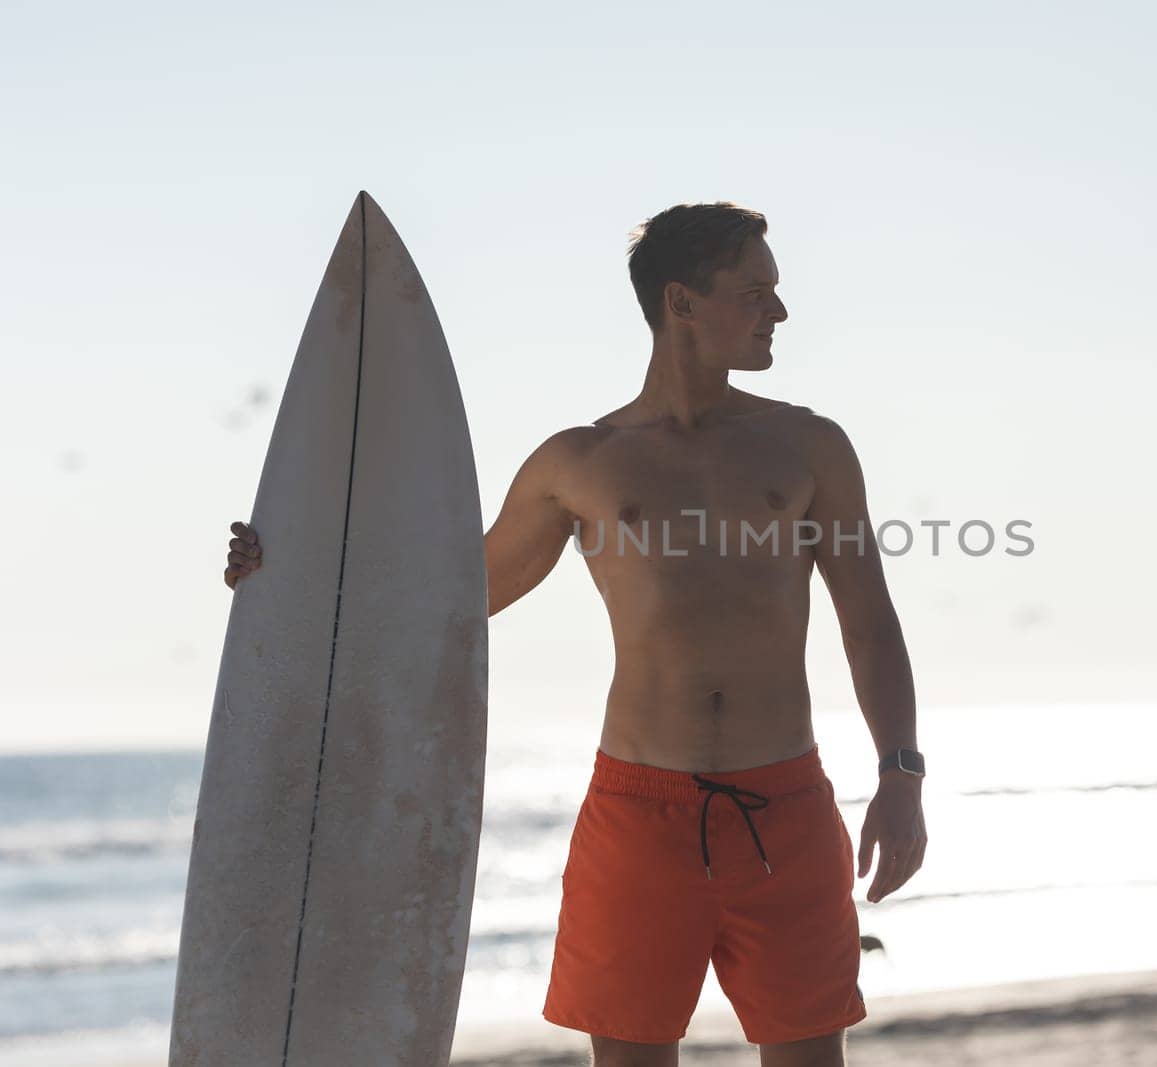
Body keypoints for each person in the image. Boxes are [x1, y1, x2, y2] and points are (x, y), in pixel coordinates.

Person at [223, 201, 926, 1067]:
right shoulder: (580, 463)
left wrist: (901, 772)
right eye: (755, 292)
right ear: (682, 302)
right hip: (639, 815)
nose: (778, 311)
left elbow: (870, 621)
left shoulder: (810, 446)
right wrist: (281, 574)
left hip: (785, 810)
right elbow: (444, 602)